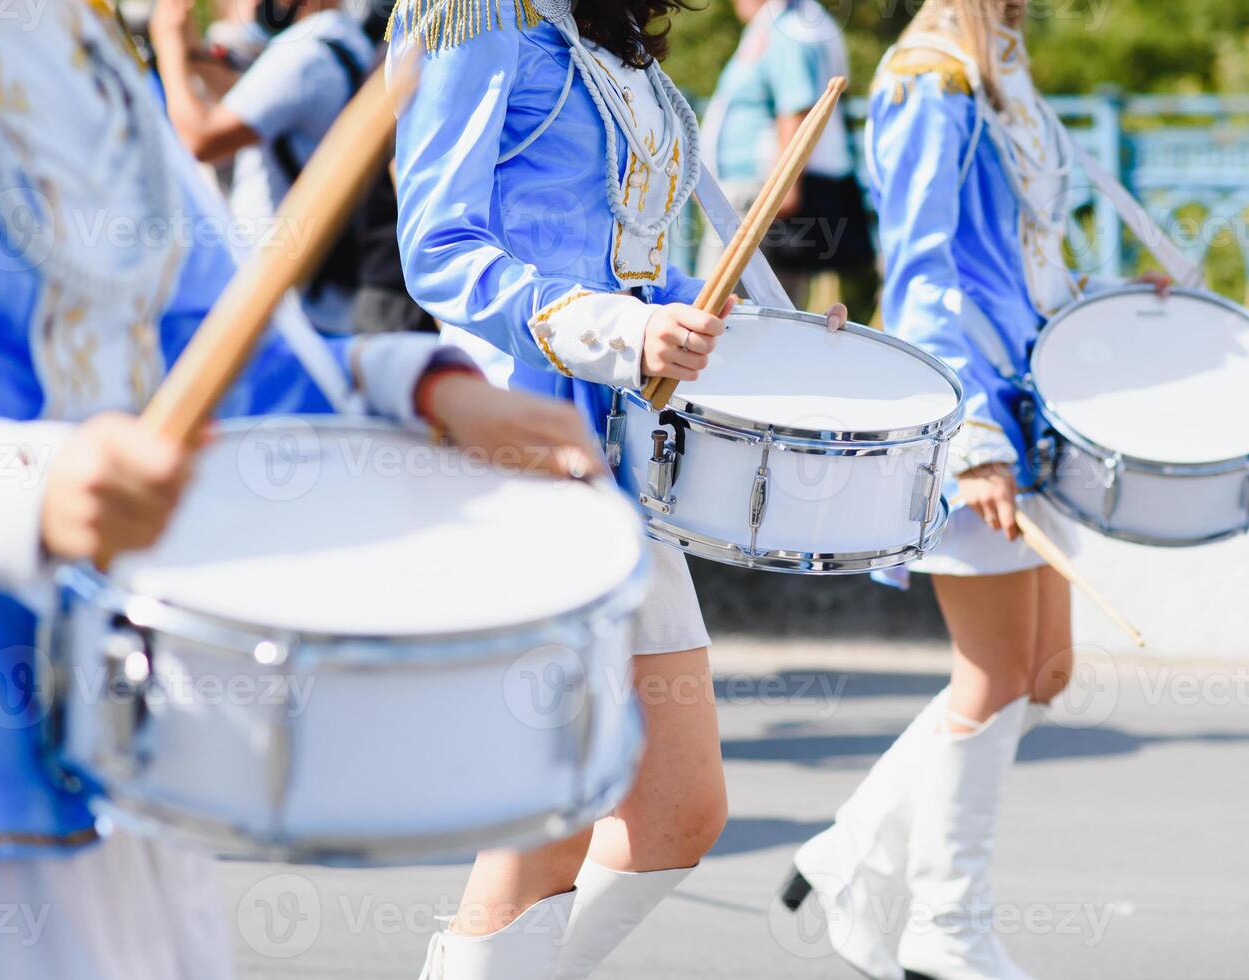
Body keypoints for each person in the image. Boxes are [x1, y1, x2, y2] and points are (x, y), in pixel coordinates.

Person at [0, 0, 597, 975]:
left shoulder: (77, 39)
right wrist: (22, 488)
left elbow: (227, 342)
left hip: (127, 709)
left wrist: (413, 388)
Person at [776, 3, 1168, 979]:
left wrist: (1108, 296)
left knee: (1042, 672)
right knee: (995, 672)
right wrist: (973, 441)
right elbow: (919, 274)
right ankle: (945, 927)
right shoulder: (927, 78)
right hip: (969, 410)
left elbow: (1019, 259)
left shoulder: (997, 66)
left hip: (1024, 402)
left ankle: (848, 848)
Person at [388, 0, 751, 974]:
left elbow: (626, 255)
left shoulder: (606, 20)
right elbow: (438, 247)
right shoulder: (463, 13)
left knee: (678, 812)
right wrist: (612, 330)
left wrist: (729, 326)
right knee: (551, 814)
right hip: (525, 441)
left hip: (621, 443)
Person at [151, 0, 431, 335]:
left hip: (295, 304)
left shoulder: (303, 57)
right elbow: (248, 107)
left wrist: (167, 45)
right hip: (322, 288)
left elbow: (201, 139)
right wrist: (193, 53)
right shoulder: (341, 41)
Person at [698, 0, 862, 309]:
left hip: (757, 198)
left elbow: (796, 109)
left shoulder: (788, 31)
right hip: (748, 195)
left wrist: (782, 190)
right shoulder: (778, 26)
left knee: (732, 316)